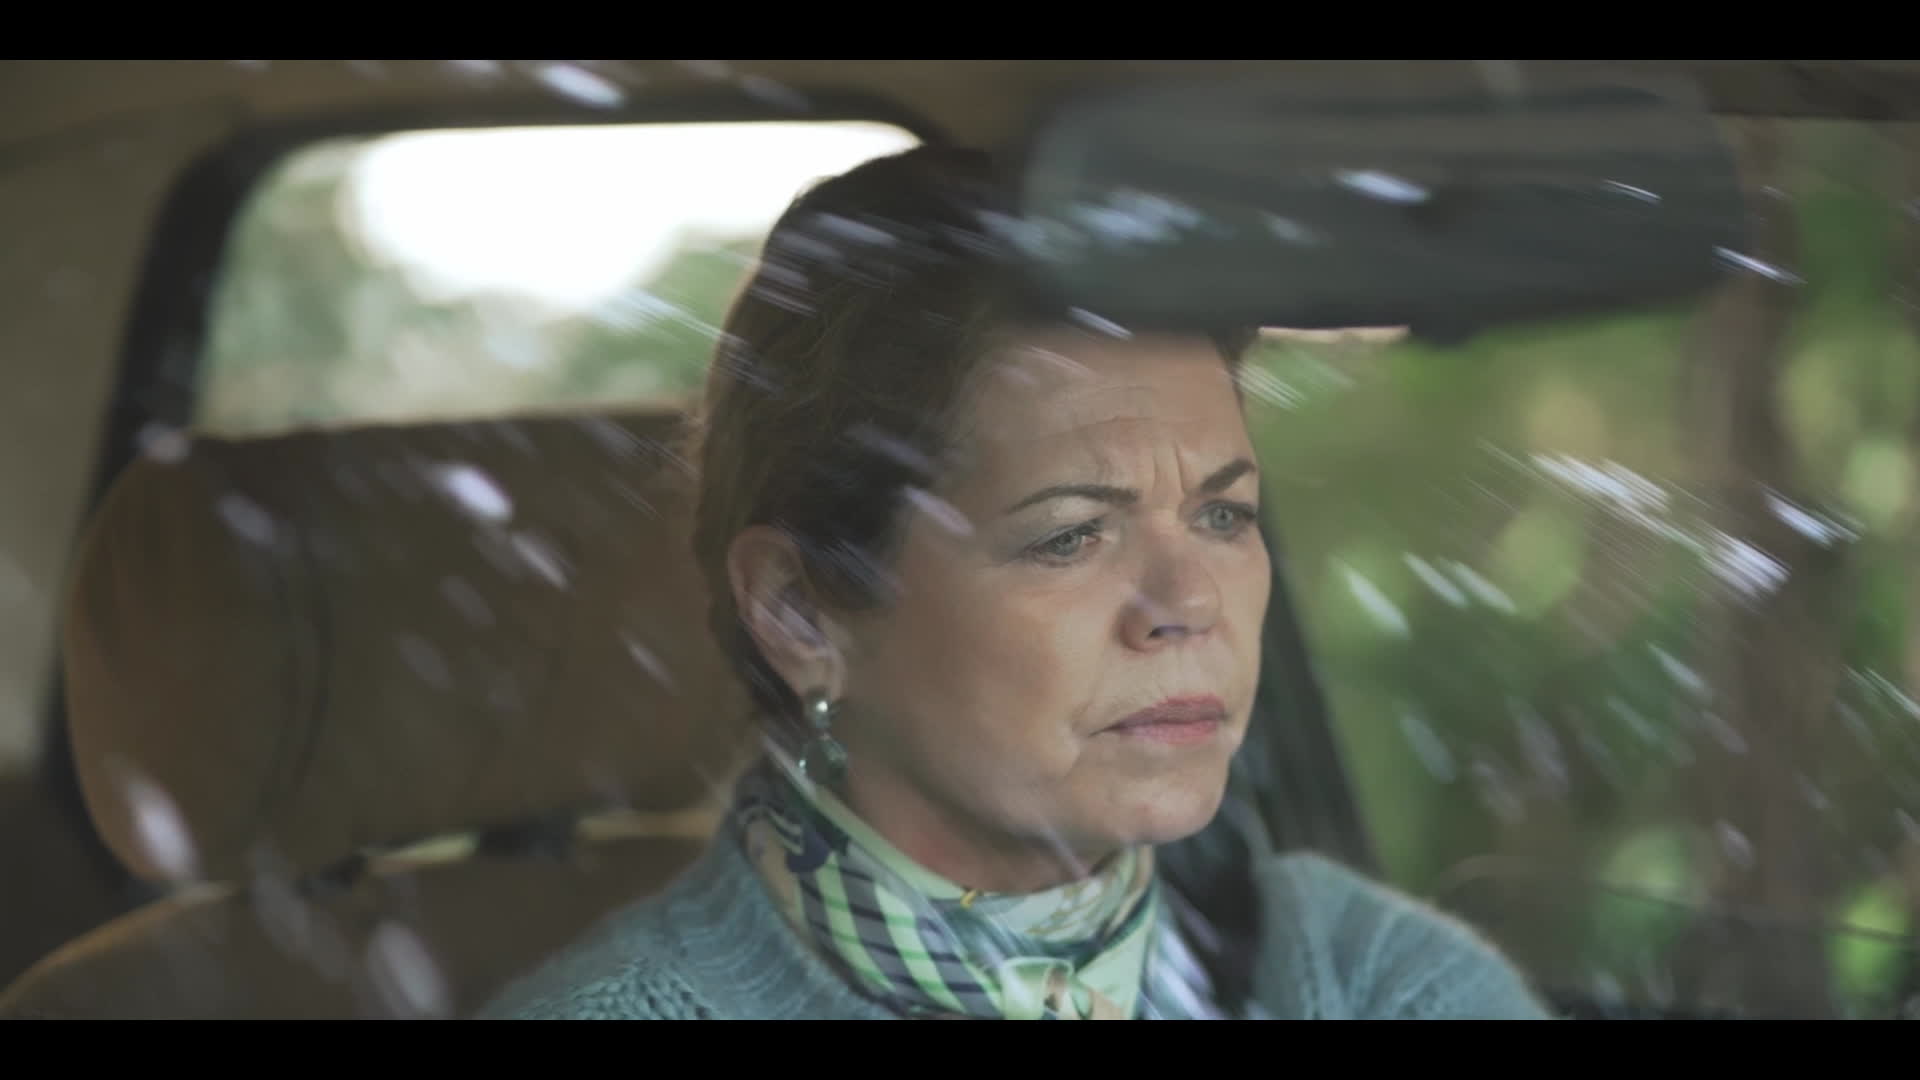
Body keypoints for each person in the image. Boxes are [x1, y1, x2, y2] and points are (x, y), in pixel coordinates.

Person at [477, 145, 1554, 1020]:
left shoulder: (1377, 982)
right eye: (1072, 536)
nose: (1191, 604)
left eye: (1223, 516)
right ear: (801, 612)